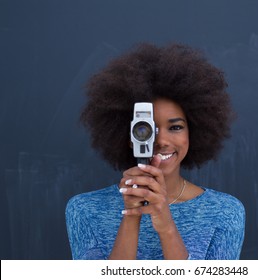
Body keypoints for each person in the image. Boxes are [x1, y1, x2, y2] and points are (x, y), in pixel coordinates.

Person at [65, 43, 245, 260]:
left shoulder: (225, 213)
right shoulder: (85, 210)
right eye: (146, 129)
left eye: (175, 127)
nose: (161, 141)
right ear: (128, 136)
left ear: (194, 132)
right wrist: (131, 216)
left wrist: (166, 225)